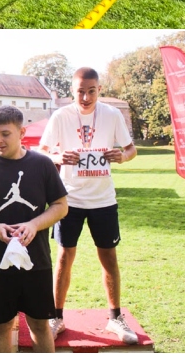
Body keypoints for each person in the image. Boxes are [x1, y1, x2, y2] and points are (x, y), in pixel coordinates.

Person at [39, 68, 140, 345]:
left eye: (91, 91)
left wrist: (122, 156)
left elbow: (132, 150)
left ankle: (115, 318)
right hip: (69, 198)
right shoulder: (61, 116)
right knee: (63, 257)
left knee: (109, 258)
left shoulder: (111, 115)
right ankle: (56, 316)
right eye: (81, 91)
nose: (85, 97)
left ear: (99, 88)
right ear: (73, 90)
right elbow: (42, 151)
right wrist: (60, 156)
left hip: (103, 199)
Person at [0, 106, 69, 353]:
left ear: (22, 132)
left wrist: (34, 224)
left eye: (5, 134)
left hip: (37, 260)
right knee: (1, 325)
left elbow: (61, 206)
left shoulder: (42, 165)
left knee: (40, 324)